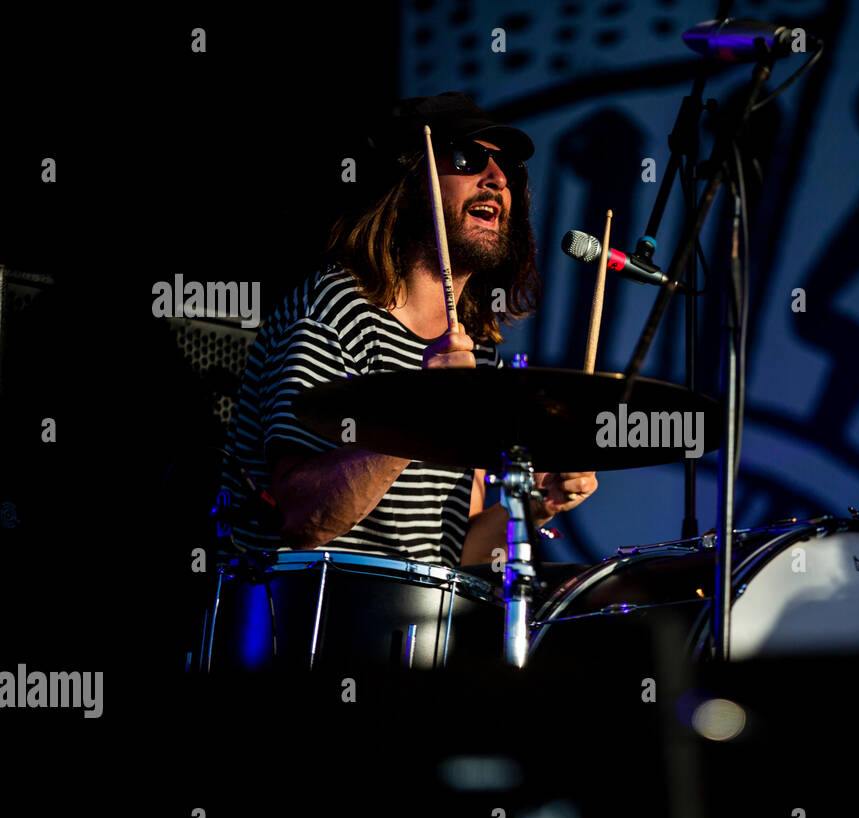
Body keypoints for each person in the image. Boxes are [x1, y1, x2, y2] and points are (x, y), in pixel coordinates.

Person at [219, 92, 597, 568]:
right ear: (412, 182)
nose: (497, 179)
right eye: (467, 158)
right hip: (309, 619)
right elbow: (303, 517)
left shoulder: (477, 352)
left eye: (509, 170)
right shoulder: (338, 310)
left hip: (413, 628)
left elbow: (461, 553)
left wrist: (540, 505)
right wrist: (423, 411)